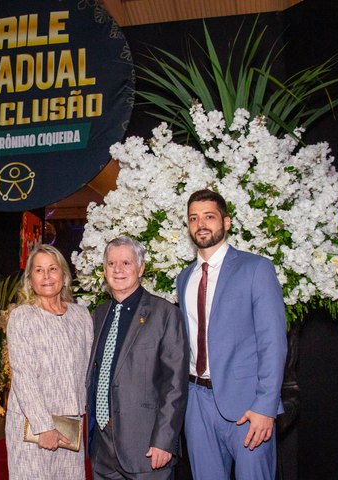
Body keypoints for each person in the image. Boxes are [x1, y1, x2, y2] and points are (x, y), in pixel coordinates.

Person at [175, 189, 287, 480]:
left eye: (209, 217)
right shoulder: (184, 278)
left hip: (247, 406)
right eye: (194, 218)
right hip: (196, 403)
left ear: (226, 222)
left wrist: (266, 407)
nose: (201, 224)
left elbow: (272, 342)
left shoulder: (256, 269)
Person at [87, 236, 189, 479]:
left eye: (126, 263)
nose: (118, 270)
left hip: (146, 448)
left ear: (140, 268)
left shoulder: (165, 314)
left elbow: (175, 384)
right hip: (102, 448)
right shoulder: (98, 315)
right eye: (111, 264)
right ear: (104, 270)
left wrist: (164, 441)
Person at [6, 244, 93, 480]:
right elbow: (23, 376)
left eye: (53, 269)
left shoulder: (81, 316)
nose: (46, 276)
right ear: (29, 279)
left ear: (64, 276)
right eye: (38, 270)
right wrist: (44, 426)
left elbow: (87, 370)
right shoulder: (22, 317)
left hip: (71, 425)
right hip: (31, 426)